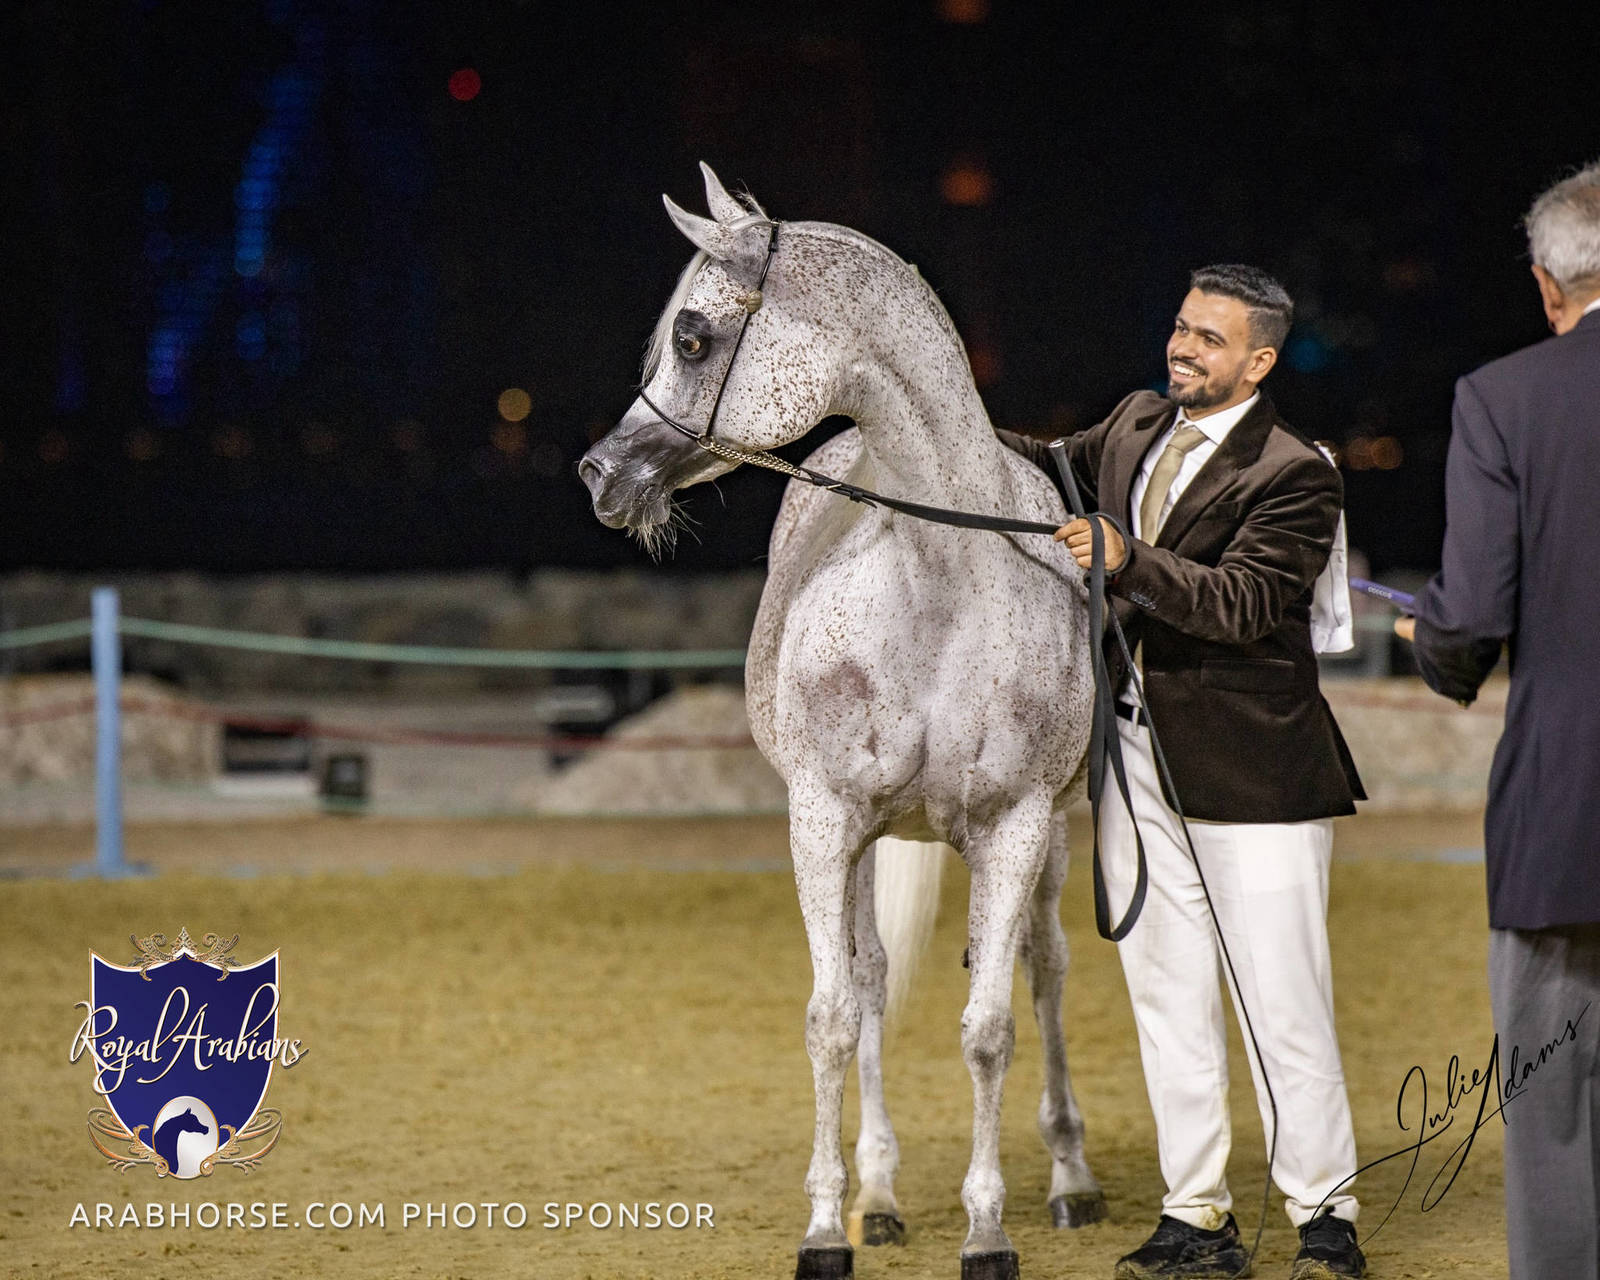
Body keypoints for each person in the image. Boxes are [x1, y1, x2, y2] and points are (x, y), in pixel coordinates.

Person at [1001, 264, 1367, 1280]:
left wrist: (1125, 559)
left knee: (1282, 1001)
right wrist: (929, 419)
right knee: (1166, 994)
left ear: (1257, 359)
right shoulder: (1127, 423)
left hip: (1256, 772)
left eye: (1209, 337)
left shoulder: (1298, 471)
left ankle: (1324, 1215)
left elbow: (1247, 604)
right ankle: (1194, 1213)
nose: (1183, 347)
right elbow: (1038, 464)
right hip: (1129, 754)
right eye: (1179, 325)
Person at [1396, 160, 1600, 1280]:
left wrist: (1435, 644)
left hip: (1565, 815)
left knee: (1557, 1112)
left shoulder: (1503, 398)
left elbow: (1468, 618)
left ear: (1546, 284)